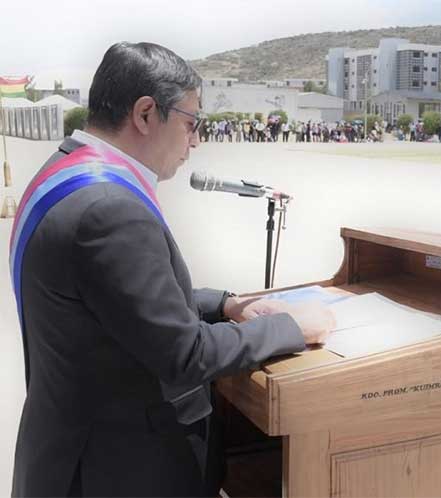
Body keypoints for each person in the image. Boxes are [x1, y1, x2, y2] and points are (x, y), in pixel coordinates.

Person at [9, 42, 335, 497]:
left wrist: (227, 305)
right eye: (191, 123)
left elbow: (121, 298)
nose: (196, 141)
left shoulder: (65, 169)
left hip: (73, 451)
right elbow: (184, 355)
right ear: (145, 114)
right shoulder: (108, 210)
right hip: (118, 470)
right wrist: (289, 327)